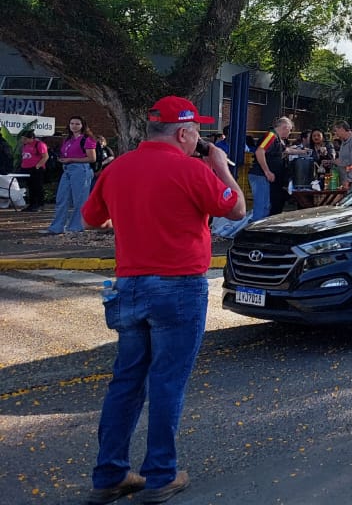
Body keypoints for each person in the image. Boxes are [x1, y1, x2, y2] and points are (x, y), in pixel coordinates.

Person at [81, 95, 244, 505]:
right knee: (166, 382)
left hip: (129, 284)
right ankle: (160, 476)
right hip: (178, 286)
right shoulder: (191, 170)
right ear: (185, 133)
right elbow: (237, 209)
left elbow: (90, 217)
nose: (198, 142)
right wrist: (221, 167)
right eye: (197, 135)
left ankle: (109, 474)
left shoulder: (117, 167)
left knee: (126, 381)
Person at [249, 117, 306, 220]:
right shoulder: (271, 136)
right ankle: (255, 232)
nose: (289, 133)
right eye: (290, 130)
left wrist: (303, 152)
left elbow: (286, 150)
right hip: (261, 175)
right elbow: (259, 151)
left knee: (265, 207)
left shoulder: (277, 139)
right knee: (262, 207)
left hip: (264, 176)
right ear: (285, 127)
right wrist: (267, 171)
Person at [47, 115, 97, 234]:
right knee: (61, 198)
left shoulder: (87, 139)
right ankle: (57, 227)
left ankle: (76, 226)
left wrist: (72, 159)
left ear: (82, 125)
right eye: (72, 123)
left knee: (79, 199)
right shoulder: (67, 140)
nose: (74, 126)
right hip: (67, 169)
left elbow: (92, 158)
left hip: (80, 169)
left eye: (77, 124)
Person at [18, 129, 49, 212]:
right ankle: (32, 204)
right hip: (26, 168)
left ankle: (39, 204)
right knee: (30, 187)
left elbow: (45, 156)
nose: (23, 140)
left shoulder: (39, 144)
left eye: (25, 138)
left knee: (37, 186)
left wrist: (38, 166)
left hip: (36, 169)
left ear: (31, 138)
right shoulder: (25, 145)